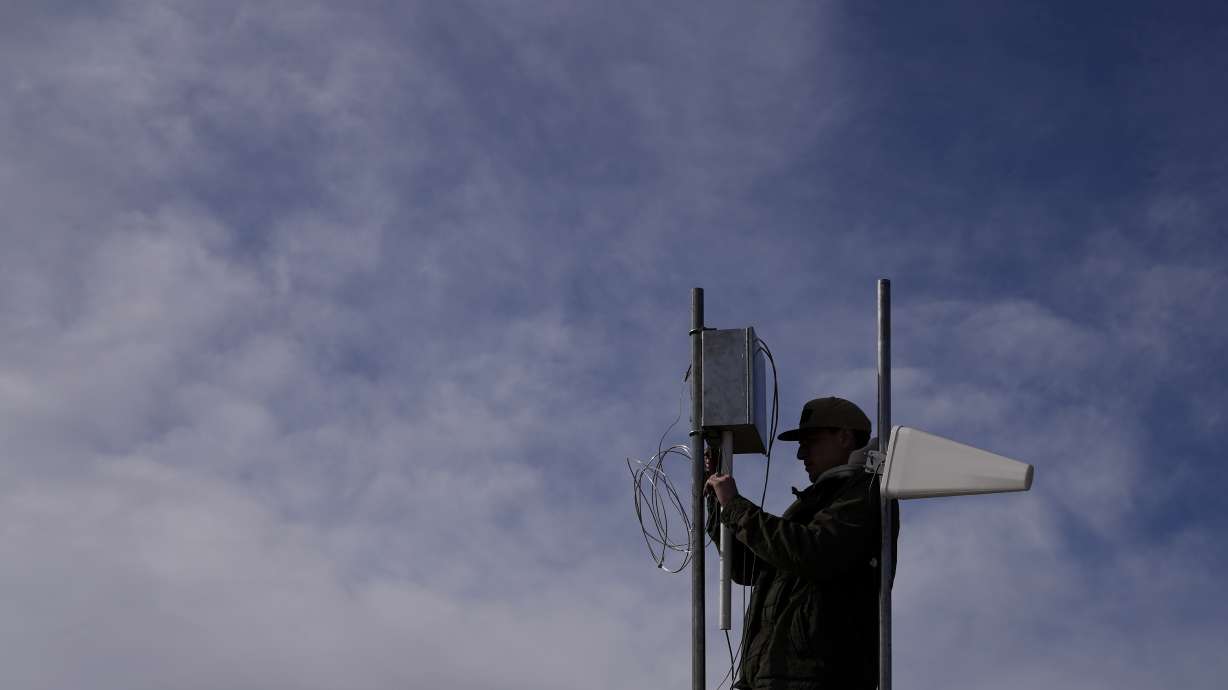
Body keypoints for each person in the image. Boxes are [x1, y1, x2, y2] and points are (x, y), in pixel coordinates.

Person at [705, 396, 898, 690]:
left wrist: (735, 506)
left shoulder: (868, 491)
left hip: (818, 677)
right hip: (780, 677)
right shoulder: (822, 500)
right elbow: (749, 567)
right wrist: (717, 501)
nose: (800, 454)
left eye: (810, 441)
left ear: (844, 437)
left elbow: (813, 551)